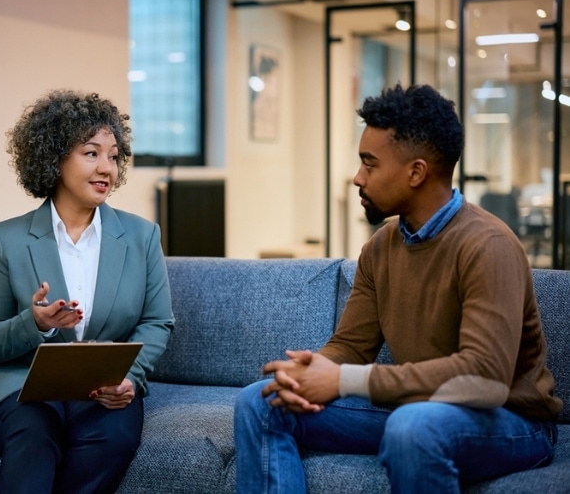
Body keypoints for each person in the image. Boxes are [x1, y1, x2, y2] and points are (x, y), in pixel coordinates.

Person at [234, 83, 562, 493]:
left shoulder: (488, 246)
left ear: (416, 172)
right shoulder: (381, 247)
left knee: (412, 426)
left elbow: (485, 378)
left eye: (369, 164)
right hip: (416, 410)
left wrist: (345, 381)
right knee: (260, 402)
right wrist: (312, 372)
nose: (357, 177)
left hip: (510, 422)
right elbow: (351, 347)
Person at [0, 89, 174, 494]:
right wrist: (35, 323)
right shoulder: (6, 239)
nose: (107, 168)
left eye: (114, 156)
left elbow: (156, 321)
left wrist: (129, 377)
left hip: (101, 386)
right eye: (91, 153)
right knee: (34, 434)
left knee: (113, 437)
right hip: (17, 383)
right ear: (55, 157)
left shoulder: (141, 236)